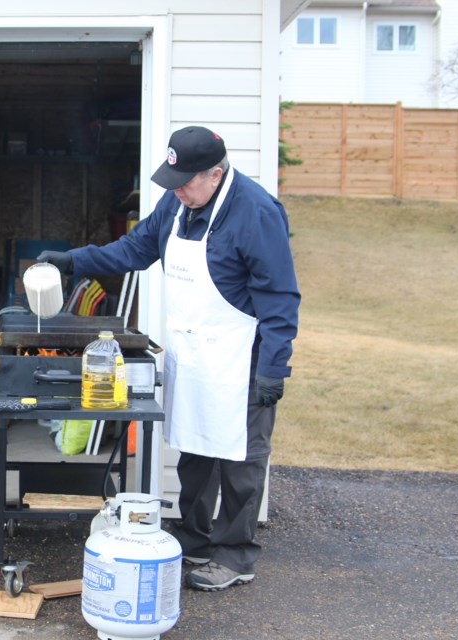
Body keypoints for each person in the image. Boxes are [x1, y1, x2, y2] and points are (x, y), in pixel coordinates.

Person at [38, 126, 299, 591]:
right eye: (173, 181)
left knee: (241, 462)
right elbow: (134, 250)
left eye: (185, 182)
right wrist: (73, 260)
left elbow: (280, 299)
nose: (177, 190)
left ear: (215, 174)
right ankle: (194, 537)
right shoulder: (177, 205)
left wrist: (274, 369)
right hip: (194, 353)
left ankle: (235, 555)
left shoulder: (256, 213)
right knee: (195, 453)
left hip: (242, 358)